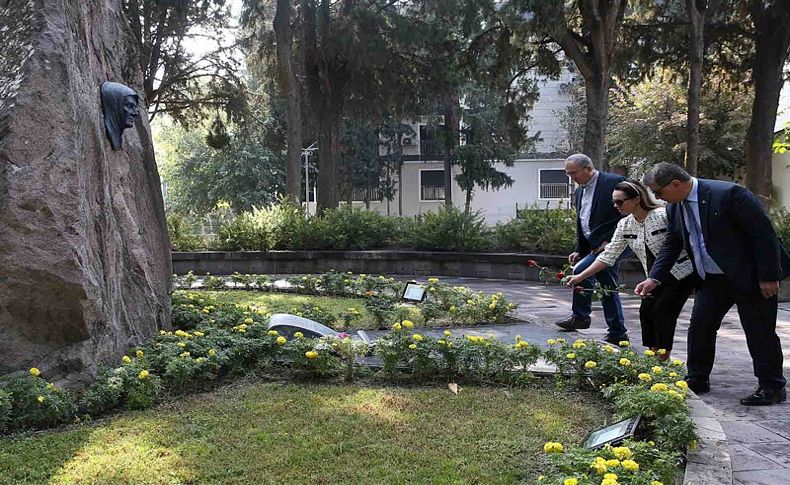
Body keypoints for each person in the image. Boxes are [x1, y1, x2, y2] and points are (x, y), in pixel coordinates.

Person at [636, 162, 788, 406]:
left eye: (658, 192)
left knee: (759, 331)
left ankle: (772, 386)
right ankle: (697, 378)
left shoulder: (728, 195)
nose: (656, 197)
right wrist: (654, 277)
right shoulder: (675, 207)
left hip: (749, 276)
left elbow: (764, 235)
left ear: (676, 184)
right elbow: (673, 242)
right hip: (712, 279)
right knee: (700, 326)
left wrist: (769, 276)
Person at [565, 180, 695, 359]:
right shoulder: (625, 224)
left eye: (620, 201)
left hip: (681, 272)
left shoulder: (662, 215)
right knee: (646, 312)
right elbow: (608, 255)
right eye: (614, 202)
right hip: (653, 276)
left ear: (636, 199)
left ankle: (663, 357)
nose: (616, 206)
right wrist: (580, 276)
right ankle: (652, 356)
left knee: (662, 312)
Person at [554, 154, 627, 345]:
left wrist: (611, 240)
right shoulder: (579, 191)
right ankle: (616, 332)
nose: (571, 178)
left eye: (574, 173)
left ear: (588, 168)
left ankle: (583, 317)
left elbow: (627, 213)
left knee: (587, 275)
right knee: (606, 286)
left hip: (613, 244)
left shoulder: (613, 182)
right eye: (568, 174)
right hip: (593, 245)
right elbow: (583, 221)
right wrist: (580, 248)